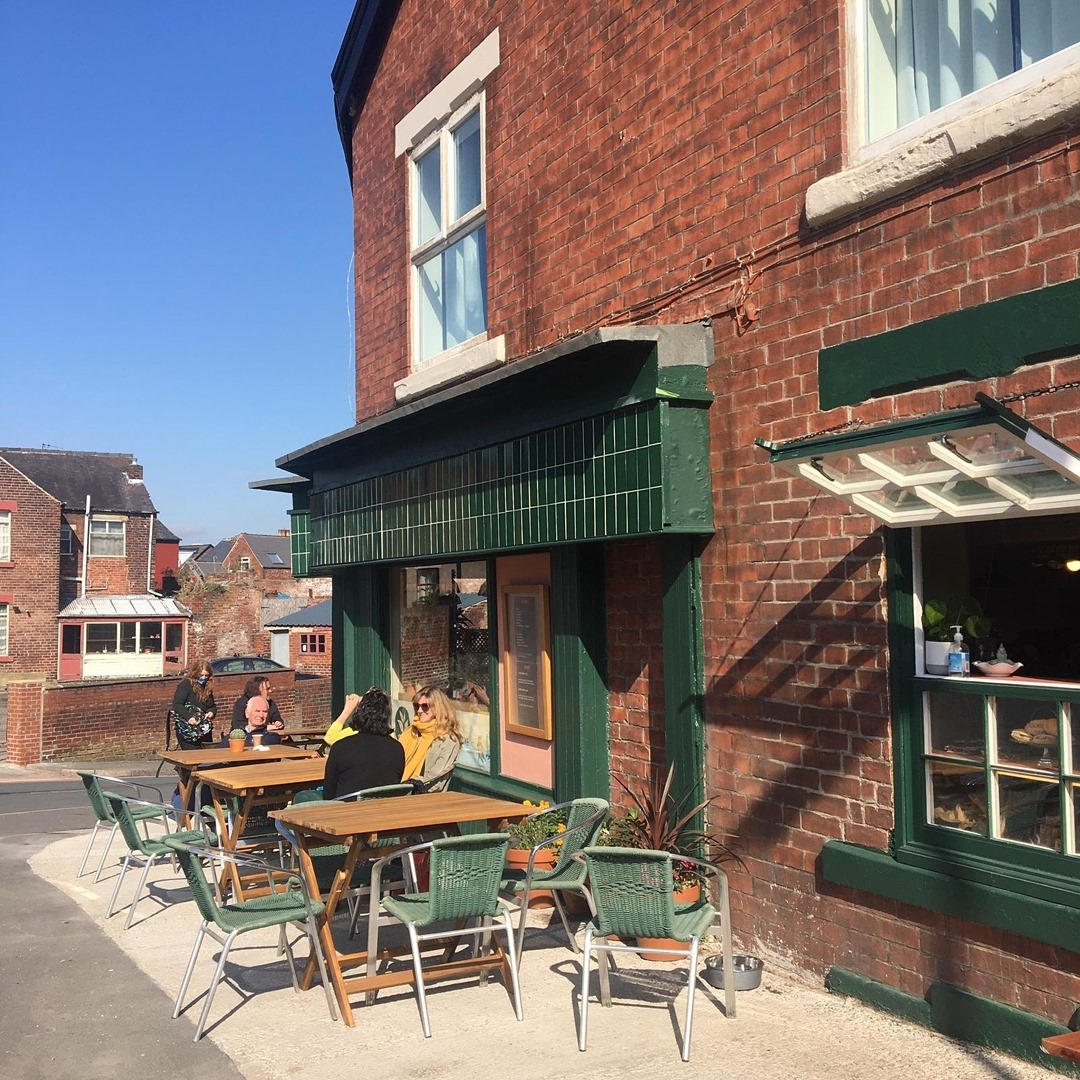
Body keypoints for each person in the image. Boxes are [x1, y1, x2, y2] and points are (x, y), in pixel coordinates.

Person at [322, 687, 405, 800]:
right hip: (385, 811)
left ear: (359, 712)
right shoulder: (397, 749)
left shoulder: (341, 747)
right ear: (387, 716)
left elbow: (328, 795)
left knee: (302, 796)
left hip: (346, 812)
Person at [399, 685, 463, 791]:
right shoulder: (411, 731)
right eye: (416, 706)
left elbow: (436, 782)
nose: (419, 710)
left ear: (438, 708)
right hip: (396, 789)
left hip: (421, 795)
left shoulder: (447, 740)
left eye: (425, 706)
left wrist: (408, 785)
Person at [171, 660, 217, 749]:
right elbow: (177, 704)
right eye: (201, 675)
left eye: (206, 675)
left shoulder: (207, 687)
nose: (203, 678)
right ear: (195, 673)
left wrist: (211, 712)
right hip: (188, 730)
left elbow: (212, 705)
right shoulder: (186, 685)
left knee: (207, 758)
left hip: (203, 729)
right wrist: (188, 717)